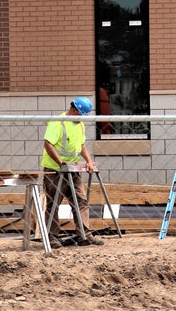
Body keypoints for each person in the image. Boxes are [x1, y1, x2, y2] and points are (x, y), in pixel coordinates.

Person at [41, 96, 105, 248]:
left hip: (72, 169)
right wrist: (60, 163)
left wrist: (88, 160)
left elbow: (81, 145)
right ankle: (52, 237)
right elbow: (48, 144)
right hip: (55, 170)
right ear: (73, 110)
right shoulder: (58, 122)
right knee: (53, 203)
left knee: (81, 200)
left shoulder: (79, 124)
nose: (81, 118)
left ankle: (84, 234)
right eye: (80, 114)